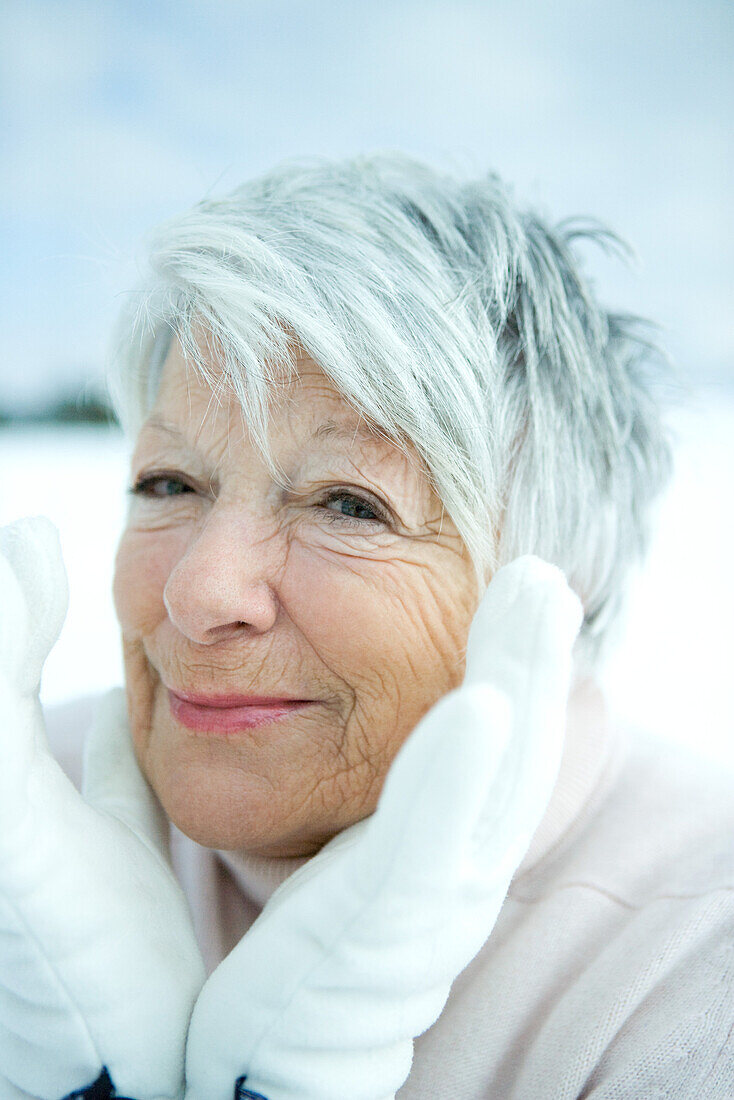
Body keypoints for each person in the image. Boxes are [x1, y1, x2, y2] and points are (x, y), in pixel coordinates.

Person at [1, 154, 732, 1100]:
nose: (198, 592)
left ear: (554, 588)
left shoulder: (689, 971)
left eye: (348, 505)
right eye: (170, 484)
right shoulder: (24, 817)